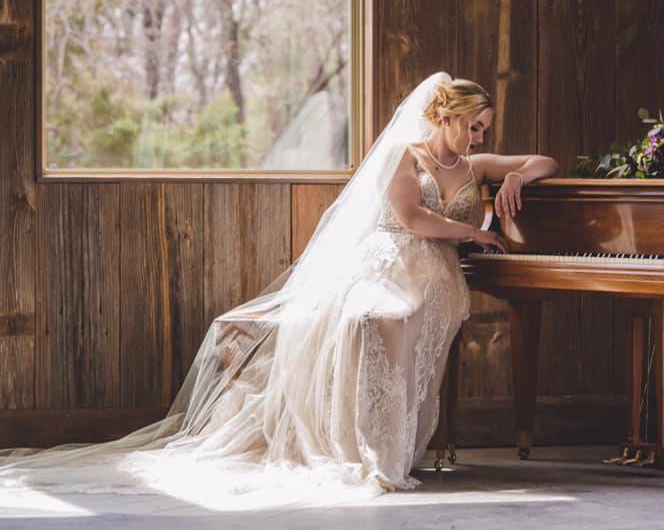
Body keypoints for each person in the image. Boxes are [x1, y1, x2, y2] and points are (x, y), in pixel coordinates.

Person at [0, 72, 558, 511]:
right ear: (447, 116)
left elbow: (546, 161)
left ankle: (393, 452)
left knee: (402, 323)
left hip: (438, 278)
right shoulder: (404, 156)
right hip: (389, 261)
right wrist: (473, 231)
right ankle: (367, 454)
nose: (482, 137)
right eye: (475, 126)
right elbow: (411, 218)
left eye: (485, 129)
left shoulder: (476, 165)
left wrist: (512, 178)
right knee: (375, 317)